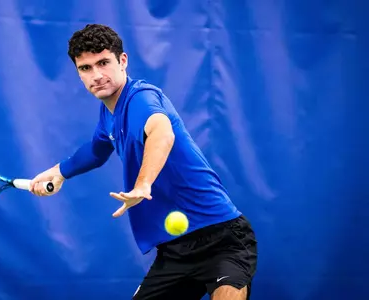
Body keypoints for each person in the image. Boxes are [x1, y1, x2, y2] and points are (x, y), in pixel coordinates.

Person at [29, 24, 258, 300]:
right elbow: (96, 150)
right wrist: (58, 173)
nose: (96, 75)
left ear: (122, 61)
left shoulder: (141, 98)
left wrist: (143, 184)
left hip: (223, 238)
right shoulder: (108, 115)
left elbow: (161, 132)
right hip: (174, 250)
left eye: (103, 63)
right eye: (85, 68)